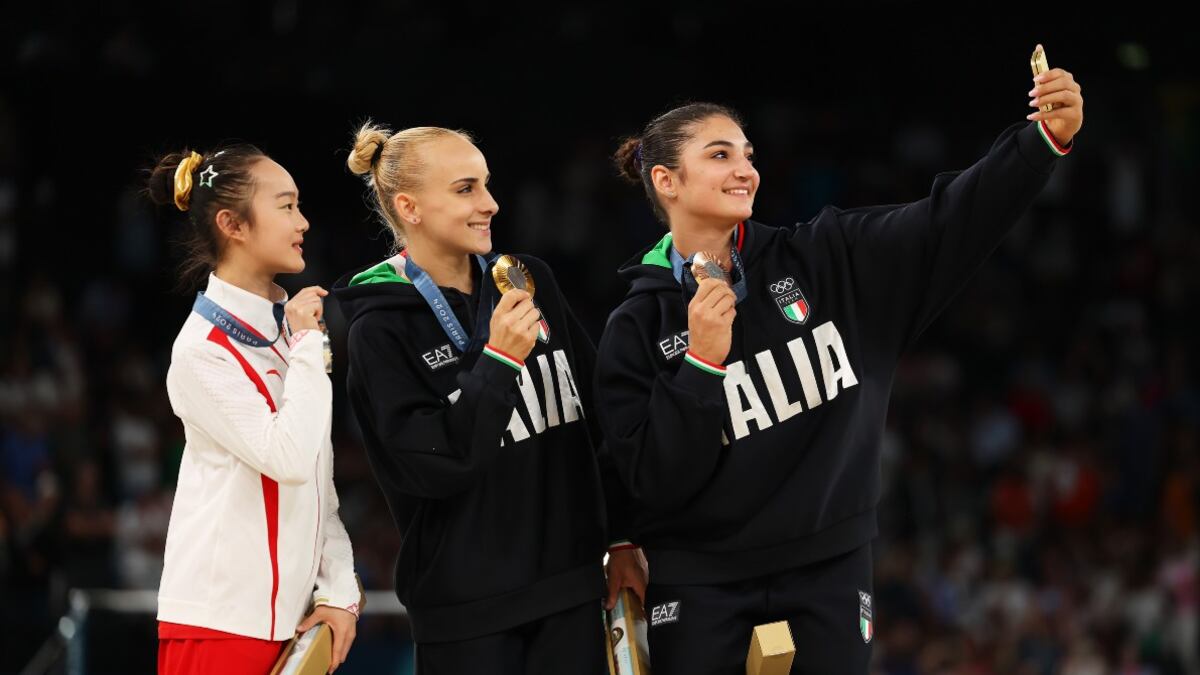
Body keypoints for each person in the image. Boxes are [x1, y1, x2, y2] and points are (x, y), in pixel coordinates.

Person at [595, 59, 1083, 673]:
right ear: (665, 180)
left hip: (829, 566)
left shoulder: (829, 258)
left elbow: (946, 221)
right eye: (720, 155)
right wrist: (700, 366)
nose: (746, 170)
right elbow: (646, 481)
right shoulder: (636, 326)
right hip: (701, 583)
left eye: (747, 154)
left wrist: (1041, 143)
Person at [331, 122, 647, 674]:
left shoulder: (527, 281)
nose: (491, 204)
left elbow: (599, 420)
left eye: (486, 184)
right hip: (466, 614)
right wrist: (499, 361)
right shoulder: (378, 329)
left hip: (572, 591)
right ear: (410, 207)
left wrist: (621, 537)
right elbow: (433, 469)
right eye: (465, 189)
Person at [149, 144, 360, 674]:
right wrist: (311, 344)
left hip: (291, 625)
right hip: (217, 630)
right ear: (232, 224)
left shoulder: (287, 332)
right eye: (286, 206)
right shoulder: (201, 351)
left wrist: (339, 590)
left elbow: (318, 481)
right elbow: (285, 457)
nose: (304, 221)